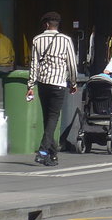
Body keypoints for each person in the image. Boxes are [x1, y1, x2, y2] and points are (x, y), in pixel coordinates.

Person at [26, 11, 78, 167]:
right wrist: (73, 83)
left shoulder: (37, 40)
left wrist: (30, 85)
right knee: (53, 117)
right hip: (58, 83)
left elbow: (34, 64)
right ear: (57, 25)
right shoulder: (66, 40)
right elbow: (72, 64)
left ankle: (53, 155)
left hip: (43, 83)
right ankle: (43, 152)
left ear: (46, 24)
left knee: (47, 119)